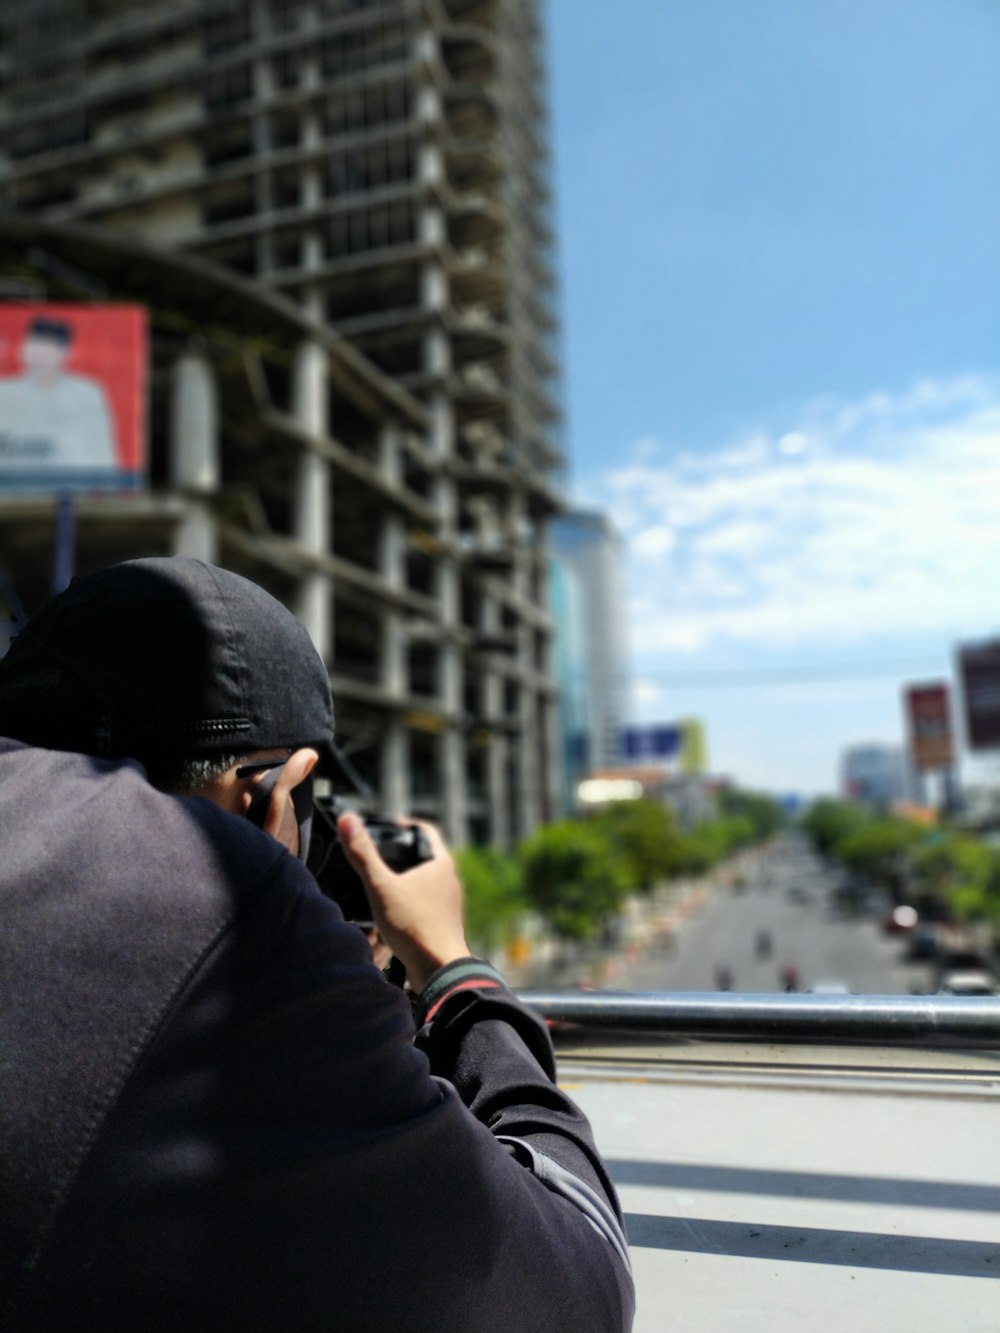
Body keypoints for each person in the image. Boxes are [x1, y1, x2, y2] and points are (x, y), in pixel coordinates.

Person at [0, 557, 634, 1332]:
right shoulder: (222, 905)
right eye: (310, 799)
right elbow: (577, 1290)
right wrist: (453, 969)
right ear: (270, 790)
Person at [0, 316, 117, 477]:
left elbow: (102, 451)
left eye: (46, 346)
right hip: (16, 485)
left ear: (65, 352)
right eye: (32, 342)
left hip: (73, 484)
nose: (36, 352)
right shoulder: (5, 392)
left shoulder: (87, 393)